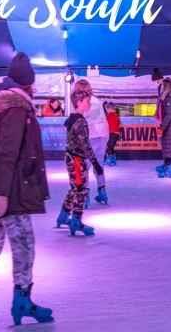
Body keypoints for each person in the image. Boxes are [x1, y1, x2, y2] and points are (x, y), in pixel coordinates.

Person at [0, 52, 54, 325]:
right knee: (23, 242)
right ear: (27, 83)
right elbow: (8, 151)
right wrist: (2, 193)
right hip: (11, 186)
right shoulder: (15, 106)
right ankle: (22, 299)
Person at [54, 90, 99, 236]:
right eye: (87, 101)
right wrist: (95, 163)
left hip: (71, 158)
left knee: (74, 188)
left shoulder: (73, 118)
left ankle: (63, 216)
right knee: (81, 190)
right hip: (77, 160)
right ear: (79, 103)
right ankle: (76, 221)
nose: (89, 104)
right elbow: (85, 144)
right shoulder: (79, 121)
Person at [73, 79, 109, 205]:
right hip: (103, 134)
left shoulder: (85, 102)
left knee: (85, 166)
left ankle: (85, 195)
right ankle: (102, 191)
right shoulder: (96, 100)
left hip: (91, 135)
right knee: (98, 164)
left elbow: (81, 119)